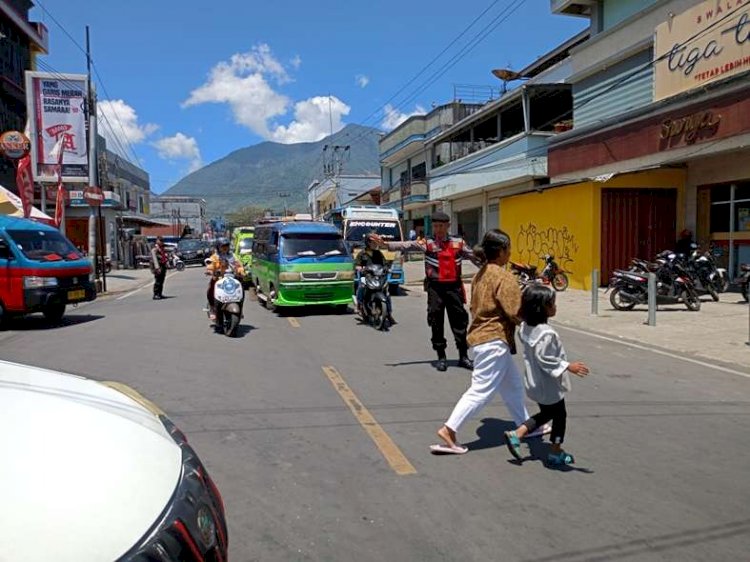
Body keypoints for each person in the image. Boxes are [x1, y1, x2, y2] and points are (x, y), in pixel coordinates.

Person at [431, 230, 547, 454]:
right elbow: (515, 311)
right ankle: (449, 429)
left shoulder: (480, 274)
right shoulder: (504, 277)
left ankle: (526, 426)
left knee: (512, 385)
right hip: (493, 339)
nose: (510, 253)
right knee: (481, 390)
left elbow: (474, 307)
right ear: (502, 251)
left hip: (482, 337)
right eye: (509, 249)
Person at [378, 211, 477, 371]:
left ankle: (463, 356)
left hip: (454, 288)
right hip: (435, 288)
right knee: (436, 321)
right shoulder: (427, 243)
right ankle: (441, 357)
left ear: (448, 226)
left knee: (459, 321)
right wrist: (386, 245)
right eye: (435, 226)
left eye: (441, 226)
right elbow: (406, 245)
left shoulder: (459, 243)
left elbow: (475, 257)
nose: (438, 229)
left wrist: (491, 265)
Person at [503, 284, 589, 466]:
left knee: (548, 412)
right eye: (552, 304)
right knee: (559, 415)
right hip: (547, 384)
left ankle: (517, 434)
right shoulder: (546, 334)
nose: (555, 307)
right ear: (541, 309)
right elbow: (546, 358)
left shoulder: (526, 327)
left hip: (535, 380)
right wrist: (568, 366)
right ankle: (555, 451)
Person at [356, 233, 395, 324]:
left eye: (376, 243)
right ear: (368, 242)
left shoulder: (379, 253)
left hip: (377, 277)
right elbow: (357, 265)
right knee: (361, 286)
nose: (375, 244)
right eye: (373, 242)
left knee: (387, 293)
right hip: (365, 276)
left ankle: (389, 313)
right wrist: (360, 268)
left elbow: (384, 264)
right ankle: (359, 304)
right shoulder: (362, 253)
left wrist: (388, 268)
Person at [205, 237, 245, 321]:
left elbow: (238, 265)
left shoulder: (233, 256)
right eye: (223, 246)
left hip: (232, 278)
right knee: (211, 288)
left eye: (226, 245)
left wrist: (241, 271)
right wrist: (210, 270)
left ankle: (240, 309)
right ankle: (212, 308)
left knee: (241, 287)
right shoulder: (215, 257)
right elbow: (211, 265)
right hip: (219, 278)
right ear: (218, 247)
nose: (225, 247)